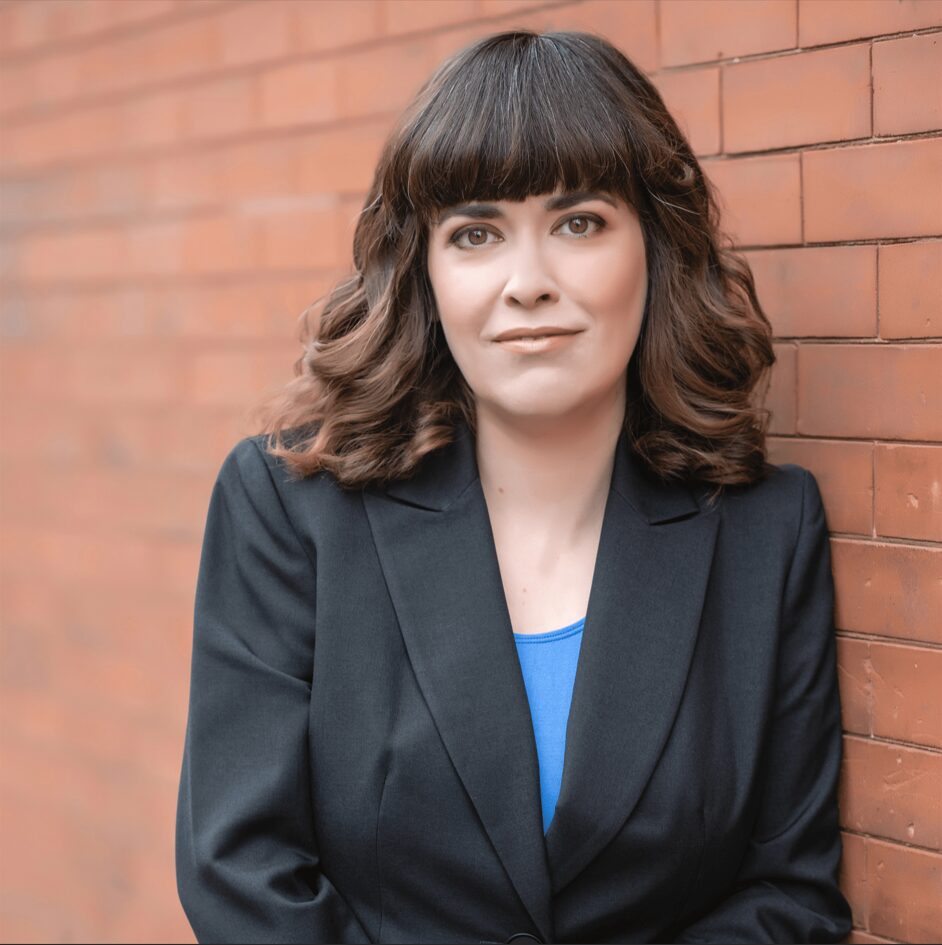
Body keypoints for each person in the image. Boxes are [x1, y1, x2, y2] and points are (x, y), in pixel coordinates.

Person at [175, 28, 853, 945]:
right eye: (476, 233)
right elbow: (243, 872)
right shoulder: (290, 508)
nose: (527, 283)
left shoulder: (765, 530)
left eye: (579, 222)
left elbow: (790, 894)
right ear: (426, 271)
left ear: (654, 245)